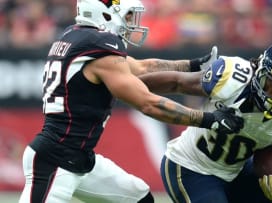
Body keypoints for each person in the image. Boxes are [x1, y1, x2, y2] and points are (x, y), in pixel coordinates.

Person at [18, 0, 243, 203]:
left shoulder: (76, 37)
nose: (129, 23)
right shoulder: (99, 46)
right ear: (104, 14)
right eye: (126, 16)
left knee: (138, 198)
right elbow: (148, 103)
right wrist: (208, 119)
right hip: (56, 160)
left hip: (80, 158)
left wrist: (192, 65)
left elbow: (142, 67)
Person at [140, 39, 272, 203]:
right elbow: (177, 83)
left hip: (236, 172)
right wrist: (129, 86)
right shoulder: (232, 77)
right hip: (192, 167)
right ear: (259, 70)